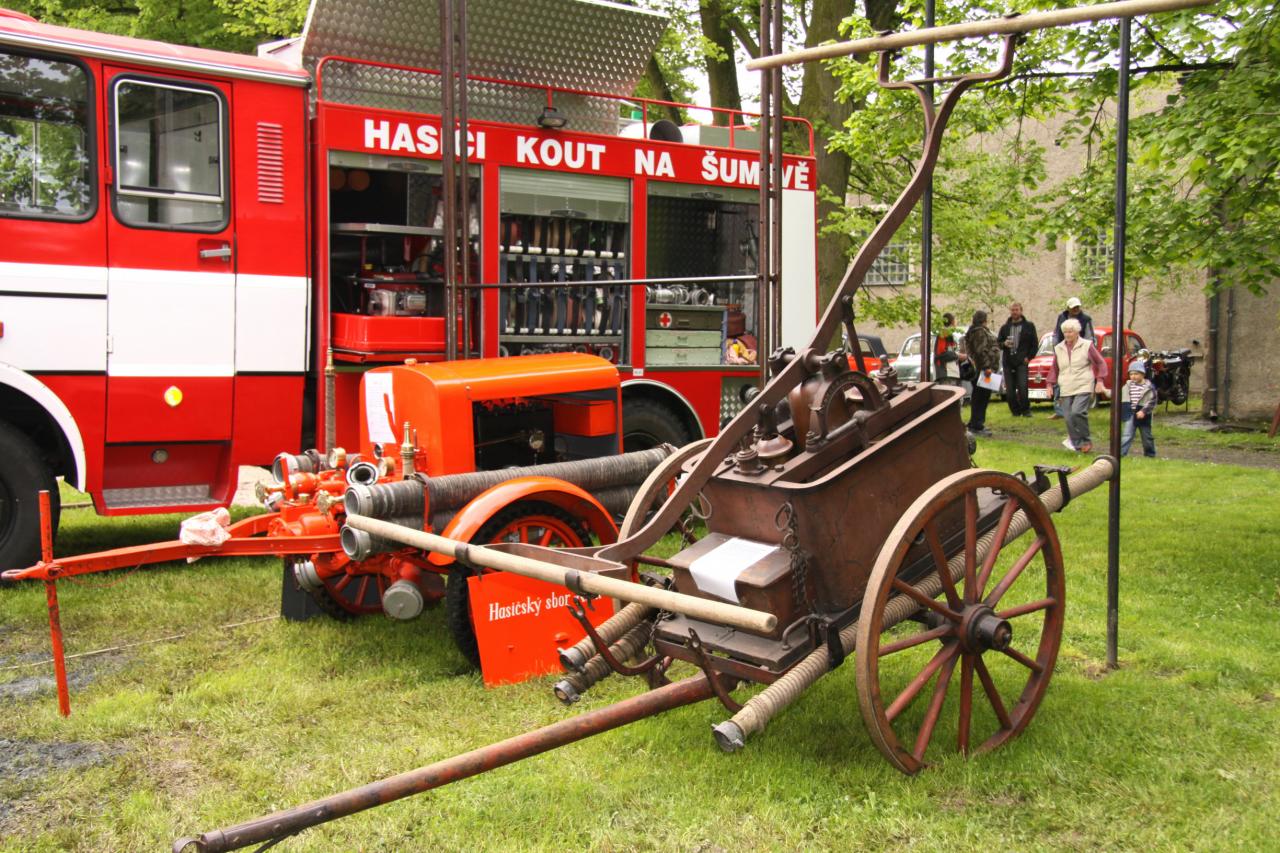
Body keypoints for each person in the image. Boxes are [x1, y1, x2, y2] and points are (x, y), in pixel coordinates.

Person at [1047, 317, 1107, 453]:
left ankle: (1086, 440)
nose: (1067, 334)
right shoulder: (1059, 348)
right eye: (1065, 332)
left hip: (1083, 384)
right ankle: (1078, 445)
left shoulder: (1087, 345)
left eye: (1070, 331)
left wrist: (1100, 380)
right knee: (1068, 417)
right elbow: (1055, 368)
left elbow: (1100, 363)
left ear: (1077, 332)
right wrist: (1049, 384)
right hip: (1066, 386)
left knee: (1077, 412)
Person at [1049, 296, 1095, 419]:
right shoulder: (1062, 317)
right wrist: (1056, 348)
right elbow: (1056, 334)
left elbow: (1090, 337)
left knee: (1079, 381)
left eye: (1077, 307)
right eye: (1073, 307)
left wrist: (1087, 351)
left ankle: (1079, 409)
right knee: (1060, 381)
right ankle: (1060, 411)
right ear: (1068, 308)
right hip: (1063, 351)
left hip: (1080, 352)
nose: (1076, 309)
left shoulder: (1086, 319)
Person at [996, 302, 1038, 417]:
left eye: (1016, 310)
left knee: (1023, 387)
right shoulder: (1005, 328)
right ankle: (1015, 411)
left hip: (1022, 361)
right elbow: (998, 344)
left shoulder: (1029, 326)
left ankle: (1026, 410)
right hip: (1008, 362)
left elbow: (1034, 344)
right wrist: (1004, 344)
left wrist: (1029, 357)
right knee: (1009, 390)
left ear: (1021, 311)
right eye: (1012, 310)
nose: (1014, 312)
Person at [963, 310, 1000, 437]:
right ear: (984, 319)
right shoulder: (979, 331)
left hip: (983, 369)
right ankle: (977, 424)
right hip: (983, 371)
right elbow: (981, 350)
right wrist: (986, 367)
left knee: (980, 396)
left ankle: (976, 422)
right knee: (981, 397)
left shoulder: (977, 330)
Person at [1120, 361, 1157, 457]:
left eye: (1136, 374)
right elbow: (1117, 394)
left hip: (1143, 414)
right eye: (1131, 374)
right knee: (1127, 435)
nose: (1133, 376)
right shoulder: (1127, 386)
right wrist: (1105, 391)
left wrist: (1144, 411)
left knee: (1146, 436)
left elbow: (1152, 401)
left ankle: (1150, 454)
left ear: (1143, 374)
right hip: (1130, 413)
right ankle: (1121, 453)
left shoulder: (1149, 387)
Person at [933, 312, 964, 385]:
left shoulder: (948, 334)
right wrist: (958, 355)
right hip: (946, 374)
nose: (956, 324)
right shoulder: (943, 334)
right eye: (955, 321)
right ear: (952, 322)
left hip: (951, 373)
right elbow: (940, 353)